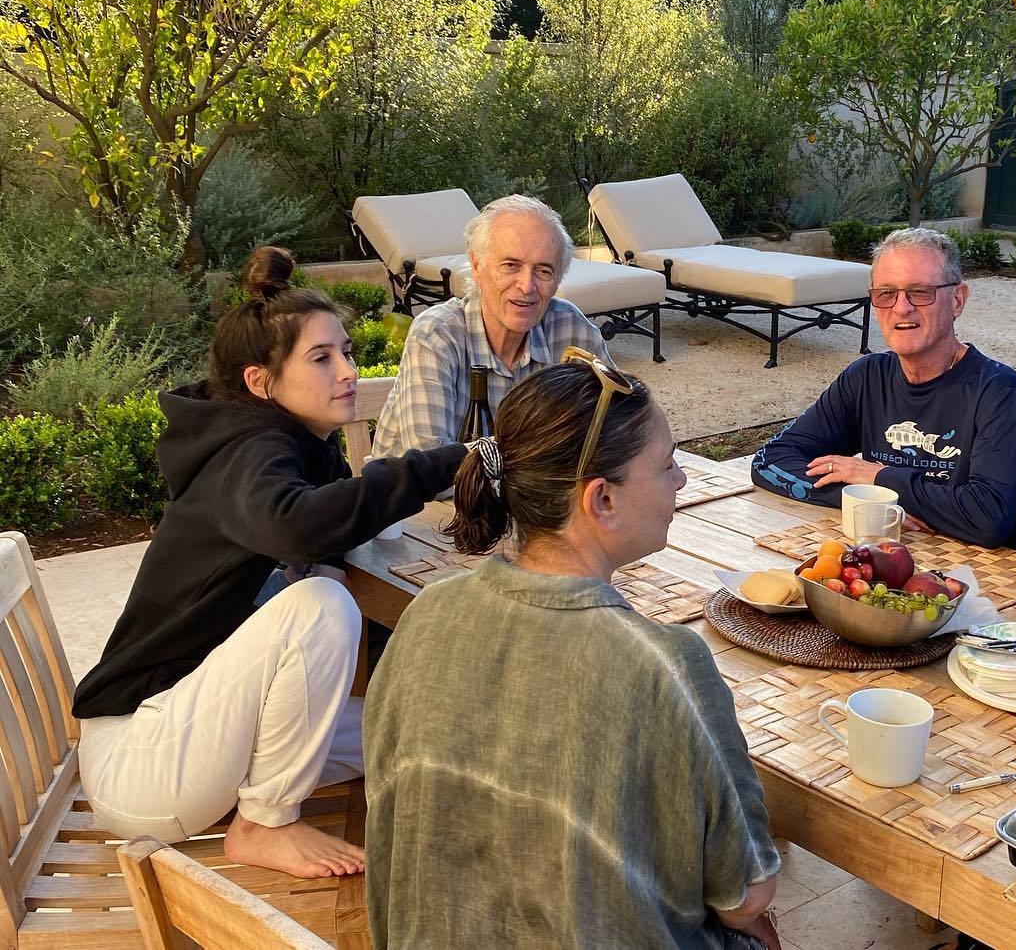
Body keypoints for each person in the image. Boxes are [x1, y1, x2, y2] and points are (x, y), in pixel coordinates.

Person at [71, 247, 467, 878]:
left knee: (420, 728)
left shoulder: (294, 444)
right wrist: (442, 464)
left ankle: (277, 803)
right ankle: (265, 823)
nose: (348, 371)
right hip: (141, 758)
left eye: (346, 351)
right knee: (320, 606)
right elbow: (297, 524)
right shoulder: (248, 453)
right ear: (260, 383)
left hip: (201, 731)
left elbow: (325, 531)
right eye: (322, 358)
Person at [364, 354, 782, 950]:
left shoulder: (428, 612)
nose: (682, 481)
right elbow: (747, 892)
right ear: (601, 499)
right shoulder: (664, 665)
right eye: (668, 465)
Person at [750, 227, 1016, 551]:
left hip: (990, 577)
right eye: (886, 293)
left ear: (957, 300)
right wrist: (870, 503)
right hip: (891, 565)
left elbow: (987, 518)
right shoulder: (867, 378)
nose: (901, 308)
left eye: (920, 292)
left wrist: (877, 477)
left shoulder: (998, 391)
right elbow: (770, 461)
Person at [370, 194, 614, 456]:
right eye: (511, 265)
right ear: (477, 266)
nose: (527, 286)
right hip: (421, 484)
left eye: (543, 271)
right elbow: (431, 461)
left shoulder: (570, 328)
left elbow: (620, 424)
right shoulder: (438, 334)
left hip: (524, 483)